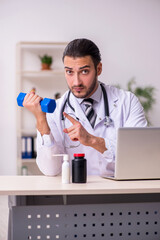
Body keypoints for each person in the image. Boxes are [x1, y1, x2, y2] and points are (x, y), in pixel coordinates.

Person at [23, 38, 147, 177]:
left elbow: (138, 156)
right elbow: (50, 170)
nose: (76, 82)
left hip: (120, 190)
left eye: (84, 71)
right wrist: (41, 121)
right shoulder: (56, 109)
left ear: (98, 69)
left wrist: (92, 140)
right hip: (74, 193)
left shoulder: (127, 102)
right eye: (69, 72)